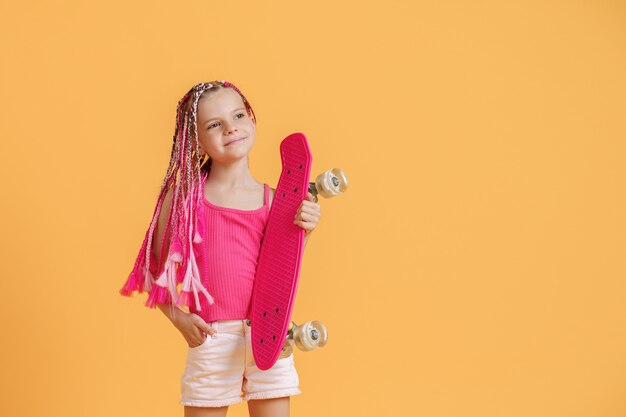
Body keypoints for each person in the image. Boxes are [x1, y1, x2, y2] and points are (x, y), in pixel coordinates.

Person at [119, 80, 321, 417]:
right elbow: (152, 269)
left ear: (252, 120)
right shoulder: (185, 199)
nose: (231, 128)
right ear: (196, 143)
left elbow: (283, 266)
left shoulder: (274, 201)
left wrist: (305, 228)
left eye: (239, 115)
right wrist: (178, 318)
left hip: (270, 334)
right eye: (215, 125)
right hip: (213, 338)